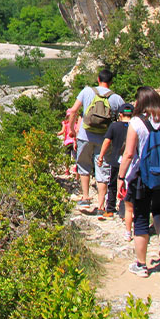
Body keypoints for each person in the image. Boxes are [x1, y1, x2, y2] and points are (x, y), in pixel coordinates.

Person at [117, 86, 160, 278]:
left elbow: (129, 154)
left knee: (140, 218)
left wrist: (121, 178)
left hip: (142, 178)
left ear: (140, 103)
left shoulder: (137, 123)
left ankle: (141, 264)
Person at [64, 69, 125, 214]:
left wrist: (72, 129)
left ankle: (85, 198)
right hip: (105, 139)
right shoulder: (116, 98)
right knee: (102, 170)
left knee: (83, 166)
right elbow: (123, 119)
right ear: (111, 82)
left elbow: (73, 111)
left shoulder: (86, 91)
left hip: (85, 136)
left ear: (98, 79)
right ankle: (101, 205)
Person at [96, 102, 134, 229]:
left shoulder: (114, 126)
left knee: (113, 184)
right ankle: (126, 211)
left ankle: (110, 209)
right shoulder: (136, 126)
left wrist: (101, 156)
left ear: (120, 114)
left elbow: (107, 141)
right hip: (132, 161)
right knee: (128, 185)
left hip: (116, 160)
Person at [56, 109, 78, 177]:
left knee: (67, 156)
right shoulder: (76, 123)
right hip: (74, 141)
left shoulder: (65, 123)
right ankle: (76, 168)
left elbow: (62, 131)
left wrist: (57, 134)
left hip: (67, 142)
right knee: (75, 156)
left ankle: (67, 170)